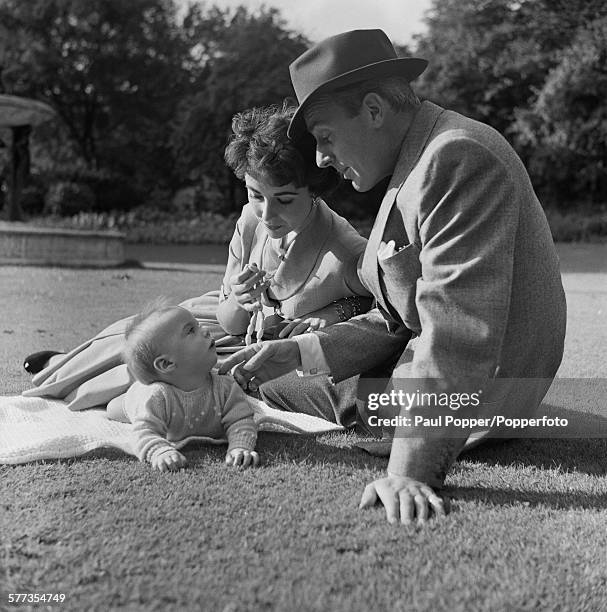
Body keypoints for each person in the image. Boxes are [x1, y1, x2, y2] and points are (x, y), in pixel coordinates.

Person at [219, 29, 567, 525]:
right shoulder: (415, 162)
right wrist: (297, 350)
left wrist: (411, 472)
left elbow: (457, 329)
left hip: (481, 394)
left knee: (251, 383)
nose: (319, 159)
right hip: (414, 371)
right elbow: (396, 315)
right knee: (272, 370)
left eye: (323, 136)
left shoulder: (456, 156)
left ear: (375, 110)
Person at [23, 103, 372, 426]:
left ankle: (72, 374)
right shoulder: (251, 220)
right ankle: (64, 365)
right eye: (255, 194)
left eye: (284, 200)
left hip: (262, 348)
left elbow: (384, 308)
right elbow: (230, 319)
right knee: (140, 335)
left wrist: (336, 313)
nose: (267, 214)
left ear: (314, 190)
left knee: (168, 366)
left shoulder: (344, 249)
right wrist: (239, 297)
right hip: (219, 320)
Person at [107, 302, 259, 472]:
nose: (206, 330)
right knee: (113, 410)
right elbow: (143, 432)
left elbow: (241, 419)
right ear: (167, 363)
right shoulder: (156, 397)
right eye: (191, 331)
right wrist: (159, 451)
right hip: (135, 398)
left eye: (198, 325)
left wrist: (240, 447)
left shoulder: (225, 386)